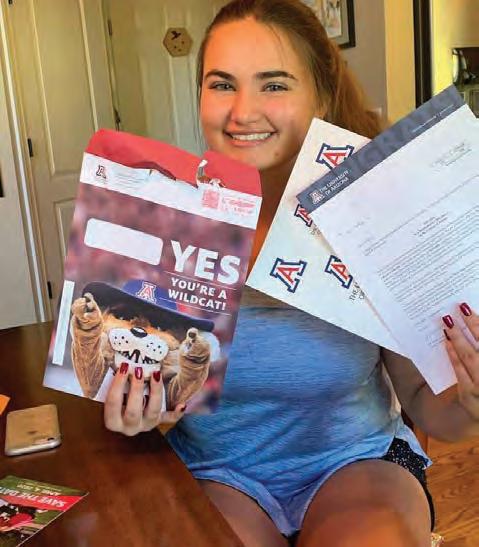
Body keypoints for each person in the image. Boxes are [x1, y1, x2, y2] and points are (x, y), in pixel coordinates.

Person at [103, 1, 479, 545]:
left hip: (356, 464)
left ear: (321, 96)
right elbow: (142, 389)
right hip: (216, 474)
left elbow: (424, 401)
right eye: (222, 84)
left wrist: (472, 403)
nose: (242, 112)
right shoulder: (161, 218)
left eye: (274, 85)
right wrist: (138, 412)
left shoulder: (373, 216)